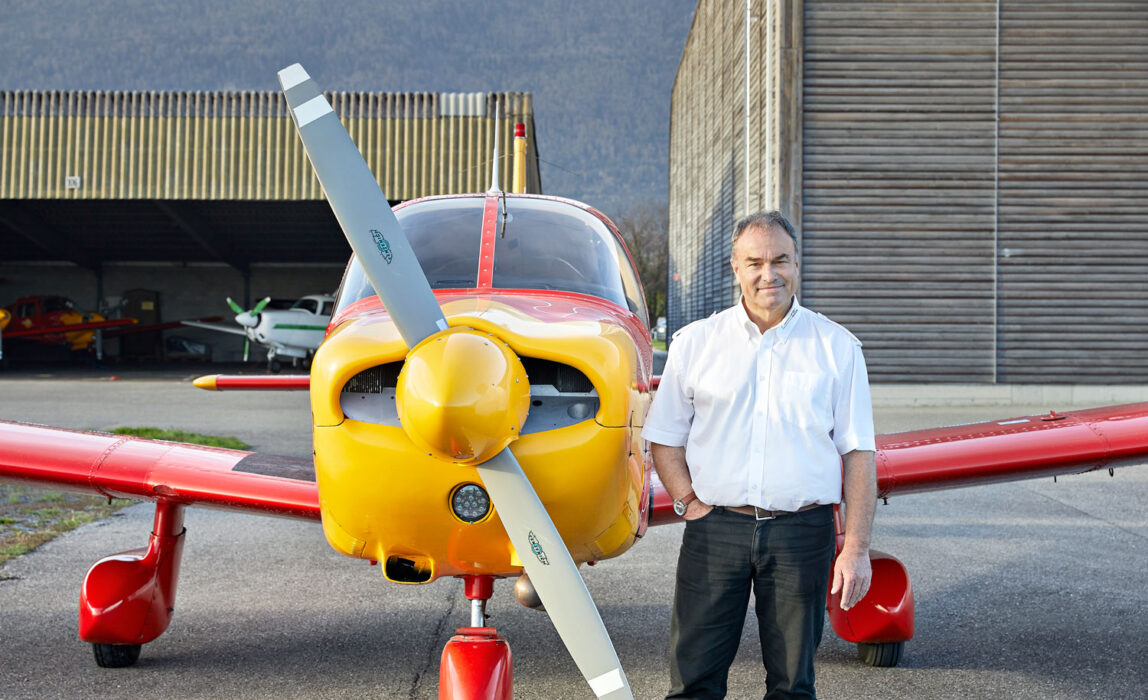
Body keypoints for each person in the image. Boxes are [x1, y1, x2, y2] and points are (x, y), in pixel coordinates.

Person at [642, 210, 877, 699]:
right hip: (715, 529)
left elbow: (858, 455)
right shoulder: (696, 344)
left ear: (797, 264)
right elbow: (664, 438)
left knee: (793, 685)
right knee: (693, 683)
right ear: (735, 267)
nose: (768, 274)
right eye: (755, 262)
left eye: (779, 260)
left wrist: (854, 549)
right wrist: (689, 503)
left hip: (801, 533)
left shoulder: (837, 348)